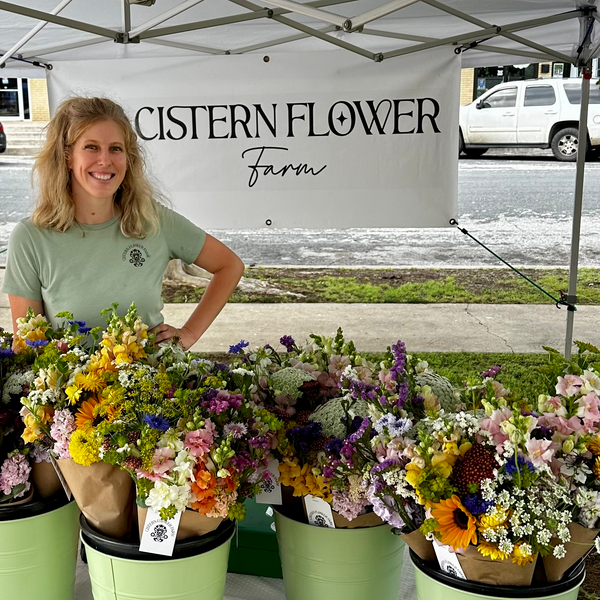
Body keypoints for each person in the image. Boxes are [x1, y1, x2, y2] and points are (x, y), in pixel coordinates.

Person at [1, 96, 244, 350]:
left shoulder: (152, 220)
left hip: (151, 385)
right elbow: (28, 348)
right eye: (92, 147)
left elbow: (229, 265)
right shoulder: (30, 238)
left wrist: (189, 333)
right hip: (72, 390)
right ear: (67, 156)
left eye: (115, 148)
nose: (105, 160)